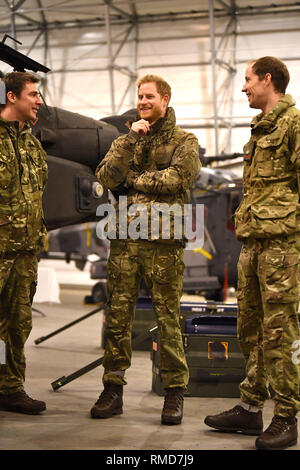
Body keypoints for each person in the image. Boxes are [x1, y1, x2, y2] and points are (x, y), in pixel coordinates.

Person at [91, 74, 201, 424]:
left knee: (167, 318)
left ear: (165, 100)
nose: (143, 101)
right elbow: (106, 177)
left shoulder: (185, 140)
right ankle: (112, 389)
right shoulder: (125, 140)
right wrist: (127, 143)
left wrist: (135, 180)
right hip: (125, 241)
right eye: (139, 96)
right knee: (118, 317)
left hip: (163, 243)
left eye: (149, 96)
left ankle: (173, 392)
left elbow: (179, 179)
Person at [204, 57, 300, 450]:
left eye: (247, 80)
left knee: (280, 332)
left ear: (267, 79)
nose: (243, 87)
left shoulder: (294, 124)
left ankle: (287, 415)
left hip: (282, 248)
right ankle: (249, 407)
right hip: (254, 245)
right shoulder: (259, 132)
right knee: (252, 331)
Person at [0, 72, 48, 414]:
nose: (39, 100)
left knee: (17, 324)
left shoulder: (31, 143)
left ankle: (10, 387)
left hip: (25, 251)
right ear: (12, 97)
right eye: (33, 94)